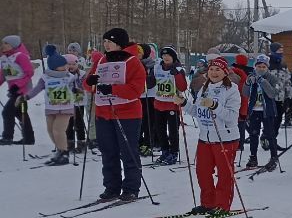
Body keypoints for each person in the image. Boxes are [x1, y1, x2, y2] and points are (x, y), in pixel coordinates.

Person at [83, 28, 146, 201]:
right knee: (108, 151)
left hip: (127, 114)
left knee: (128, 152)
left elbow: (136, 89)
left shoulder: (133, 62)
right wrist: (90, 82)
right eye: (104, 42)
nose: (106, 45)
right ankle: (111, 187)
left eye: (109, 41)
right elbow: (89, 85)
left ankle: (131, 188)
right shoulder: (102, 60)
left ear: (119, 43)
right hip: (104, 112)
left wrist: (113, 89)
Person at [187, 56, 242, 216]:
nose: (214, 72)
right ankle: (207, 203)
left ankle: (222, 205)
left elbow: (231, 117)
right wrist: (184, 104)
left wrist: (215, 106)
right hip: (205, 137)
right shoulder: (204, 88)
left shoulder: (231, 89)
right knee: (202, 172)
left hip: (225, 138)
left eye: (218, 69)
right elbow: (197, 112)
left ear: (225, 72)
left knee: (224, 174)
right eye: (211, 69)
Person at [27, 48, 80, 165]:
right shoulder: (46, 77)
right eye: (63, 65)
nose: (67, 67)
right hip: (51, 108)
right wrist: (27, 97)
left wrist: (77, 90)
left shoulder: (69, 76)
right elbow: (36, 89)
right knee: (50, 130)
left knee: (58, 130)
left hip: (66, 108)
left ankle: (64, 153)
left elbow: (77, 87)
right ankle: (60, 150)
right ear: (55, 66)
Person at [245, 54, 286, 171]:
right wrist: (248, 83)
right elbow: (245, 93)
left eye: (264, 66)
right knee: (253, 134)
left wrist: (263, 82)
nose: (261, 69)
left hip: (267, 111)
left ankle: (274, 157)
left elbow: (272, 93)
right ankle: (253, 157)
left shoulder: (271, 78)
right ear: (255, 67)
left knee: (270, 134)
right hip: (254, 111)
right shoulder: (252, 77)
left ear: (267, 67)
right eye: (259, 66)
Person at [151, 47, 188, 166]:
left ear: (173, 57)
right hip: (159, 103)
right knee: (160, 130)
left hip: (172, 104)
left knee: (173, 131)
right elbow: (150, 83)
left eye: (169, 56)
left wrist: (177, 74)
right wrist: (148, 77)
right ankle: (165, 151)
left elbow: (182, 87)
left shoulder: (178, 69)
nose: (166, 58)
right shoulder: (156, 67)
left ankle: (174, 152)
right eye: (164, 56)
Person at [0, 33, 36, 145]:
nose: (3, 45)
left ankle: (7, 137)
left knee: (7, 112)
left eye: (6, 43)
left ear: (13, 45)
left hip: (23, 89)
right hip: (13, 90)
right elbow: (3, 75)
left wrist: (18, 85)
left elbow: (29, 72)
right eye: (3, 43)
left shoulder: (21, 56)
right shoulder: (4, 58)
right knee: (20, 113)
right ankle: (29, 138)